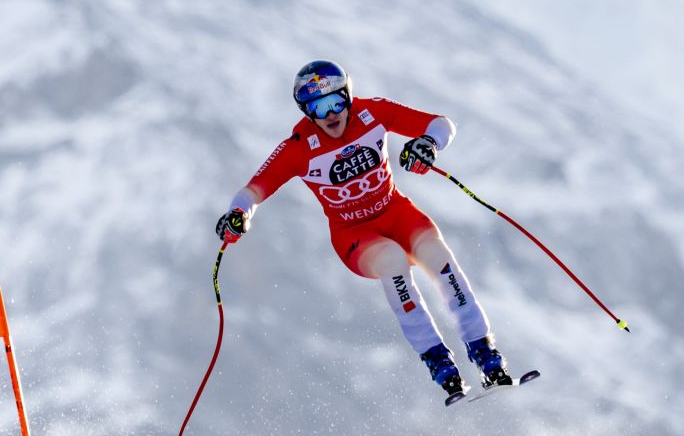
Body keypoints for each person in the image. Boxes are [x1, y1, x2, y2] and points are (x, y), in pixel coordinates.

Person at [216, 60, 512, 404]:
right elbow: (253, 190)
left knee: (438, 257)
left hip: (397, 213)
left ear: (348, 96)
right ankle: (438, 362)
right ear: (305, 111)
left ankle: (485, 352)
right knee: (392, 261)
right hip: (354, 234)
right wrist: (238, 215)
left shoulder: (372, 114)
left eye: (336, 102)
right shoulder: (298, 147)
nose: (329, 114)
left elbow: (440, 124)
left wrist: (427, 143)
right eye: (317, 107)